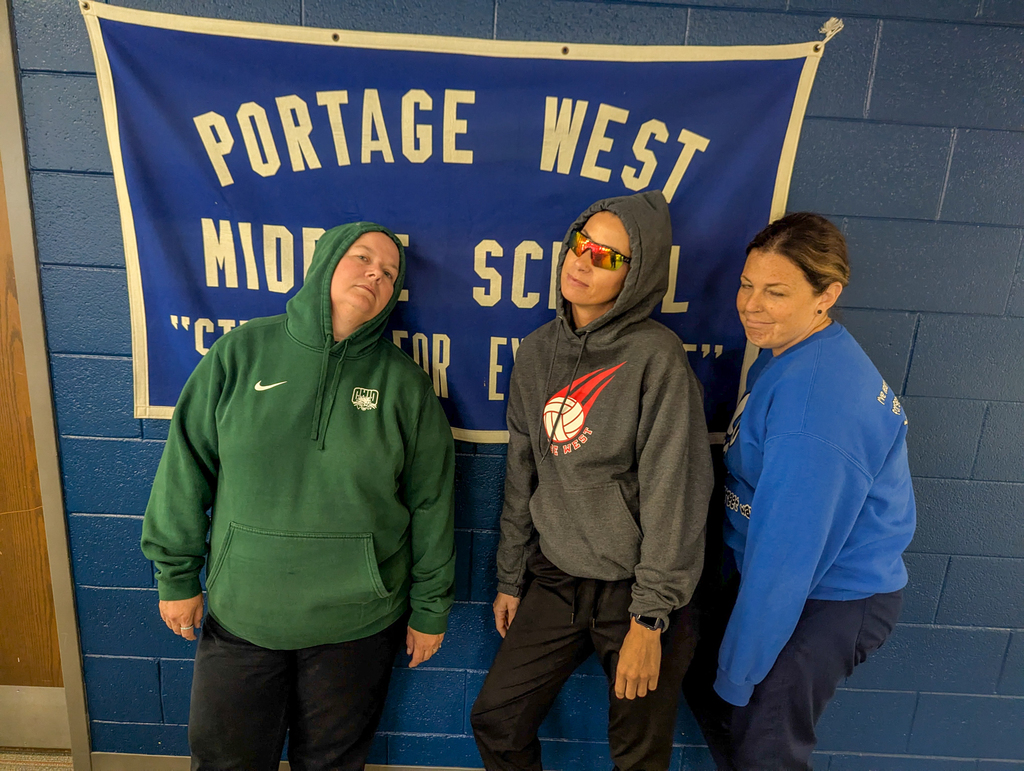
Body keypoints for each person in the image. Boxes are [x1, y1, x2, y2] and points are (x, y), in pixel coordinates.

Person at [141, 222, 456, 771]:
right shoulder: (242, 353)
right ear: (325, 262)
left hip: (357, 624)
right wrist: (176, 576)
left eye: (389, 272)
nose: (375, 275)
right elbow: (185, 467)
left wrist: (431, 608)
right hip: (244, 614)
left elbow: (432, 503)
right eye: (362, 258)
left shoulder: (405, 384)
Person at [470, 190, 714, 771]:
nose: (582, 261)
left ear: (636, 274)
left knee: (637, 756)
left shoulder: (656, 357)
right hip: (557, 577)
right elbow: (523, 474)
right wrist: (511, 577)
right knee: (497, 721)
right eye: (580, 244)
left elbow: (675, 492)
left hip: (639, 589)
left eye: (606, 257)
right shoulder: (537, 353)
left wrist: (650, 618)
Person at [684, 212, 915, 770]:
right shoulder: (793, 353)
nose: (751, 305)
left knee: (764, 747)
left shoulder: (814, 407)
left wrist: (739, 673)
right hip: (784, 577)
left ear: (826, 295)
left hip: (825, 595)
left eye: (776, 292)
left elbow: (786, 557)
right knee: (717, 706)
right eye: (747, 285)